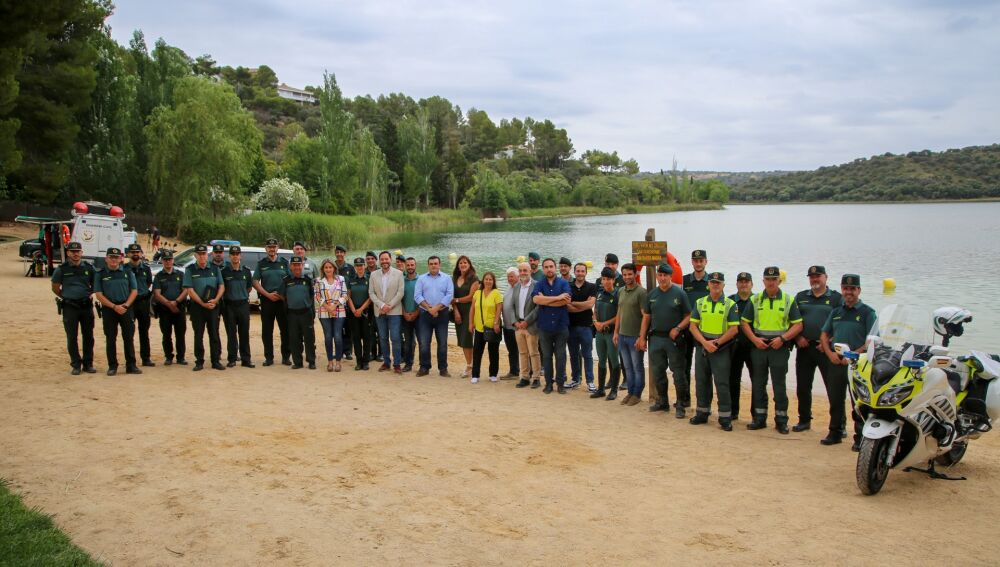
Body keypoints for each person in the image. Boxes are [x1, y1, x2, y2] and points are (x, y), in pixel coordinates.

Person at [740, 266, 803, 433]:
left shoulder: (788, 300)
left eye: (774, 279)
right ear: (763, 281)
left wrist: (783, 339)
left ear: (779, 281)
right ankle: (759, 419)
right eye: (767, 279)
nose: (770, 282)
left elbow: (798, 325)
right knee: (759, 385)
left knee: (779, 386)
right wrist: (754, 339)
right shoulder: (756, 299)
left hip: (779, 347)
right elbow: (744, 322)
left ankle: (781, 421)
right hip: (759, 346)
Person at [820, 274, 877, 450]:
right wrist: (829, 353)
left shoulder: (867, 312)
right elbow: (824, 334)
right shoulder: (836, 312)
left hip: (858, 365)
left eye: (852, 289)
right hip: (836, 362)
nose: (848, 292)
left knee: (859, 403)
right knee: (835, 399)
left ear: (859, 290)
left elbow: (872, 340)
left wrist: (854, 355)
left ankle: (860, 437)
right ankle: (835, 432)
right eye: (845, 288)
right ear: (842, 290)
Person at [792, 265, 843, 433]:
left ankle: (839, 424)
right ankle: (804, 420)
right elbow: (792, 321)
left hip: (826, 350)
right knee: (803, 387)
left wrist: (829, 342)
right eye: (812, 277)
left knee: (833, 387)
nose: (815, 279)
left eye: (818, 276)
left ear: (826, 277)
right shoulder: (800, 297)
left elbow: (842, 323)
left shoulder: (836, 298)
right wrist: (798, 338)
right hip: (805, 347)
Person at [689, 272, 740, 430]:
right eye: (712, 282)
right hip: (703, 347)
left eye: (718, 282)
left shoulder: (730, 304)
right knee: (701, 381)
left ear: (723, 285)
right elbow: (693, 326)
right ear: (708, 284)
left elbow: (734, 329)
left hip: (721, 348)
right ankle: (702, 413)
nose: (715, 285)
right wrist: (705, 343)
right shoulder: (700, 302)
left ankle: (725, 417)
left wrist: (716, 343)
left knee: (722, 382)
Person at [641, 263, 692, 417]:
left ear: (670, 276)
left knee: (678, 373)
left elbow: (689, 315)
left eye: (665, 276)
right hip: (656, 338)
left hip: (674, 339)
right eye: (660, 275)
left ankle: (681, 405)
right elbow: (646, 317)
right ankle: (662, 402)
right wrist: (642, 337)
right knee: (658, 372)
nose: (662, 278)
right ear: (657, 276)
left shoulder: (679, 293)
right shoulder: (652, 295)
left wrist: (678, 328)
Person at [51, 241, 96, 375]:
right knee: (72, 336)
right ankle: (76, 364)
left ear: (82, 253)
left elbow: (95, 285)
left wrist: (88, 294)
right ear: (68, 253)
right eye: (72, 251)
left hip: (85, 306)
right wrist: (67, 296)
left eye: (78, 251)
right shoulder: (62, 269)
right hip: (70, 307)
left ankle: (88, 364)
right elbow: (55, 287)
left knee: (88, 336)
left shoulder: (88, 268)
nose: (76, 254)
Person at [94, 247, 140, 376]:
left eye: (116, 257)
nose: (114, 260)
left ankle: (131, 365)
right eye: (111, 257)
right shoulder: (100, 274)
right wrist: (114, 307)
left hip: (126, 308)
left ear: (121, 259)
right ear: (106, 259)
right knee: (110, 338)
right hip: (109, 309)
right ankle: (112, 366)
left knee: (128, 338)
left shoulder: (127, 272)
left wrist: (125, 305)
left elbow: (134, 291)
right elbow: (98, 294)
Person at [183, 244, 225, 372]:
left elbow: (221, 286)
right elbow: (189, 289)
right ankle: (199, 361)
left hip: (213, 306)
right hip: (198, 308)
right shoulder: (190, 269)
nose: (202, 256)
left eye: (204, 254)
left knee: (214, 334)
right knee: (198, 335)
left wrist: (216, 300)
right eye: (199, 254)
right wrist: (202, 303)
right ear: (195, 256)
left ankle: (215, 361)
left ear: (207, 255)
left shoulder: (214, 268)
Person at [533, 258, 571, 394]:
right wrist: (556, 298)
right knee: (547, 357)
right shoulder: (539, 284)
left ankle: (560, 384)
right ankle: (548, 384)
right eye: (546, 267)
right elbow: (536, 299)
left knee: (561, 357)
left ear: (555, 268)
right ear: (543, 269)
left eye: (551, 266)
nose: (549, 269)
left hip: (561, 327)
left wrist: (546, 301)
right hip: (544, 327)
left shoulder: (563, 283)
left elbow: (566, 301)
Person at [613, 263, 648, 406]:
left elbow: (645, 316)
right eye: (625, 274)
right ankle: (630, 392)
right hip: (622, 335)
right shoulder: (621, 291)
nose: (627, 277)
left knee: (637, 366)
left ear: (635, 275)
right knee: (627, 366)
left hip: (635, 336)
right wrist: (616, 332)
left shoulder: (641, 292)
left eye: (630, 274)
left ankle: (637, 394)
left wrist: (642, 337)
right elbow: (619, 313)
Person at [414, 256, 454, 377]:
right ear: (428, 265)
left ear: (439, 265)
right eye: (431, 263)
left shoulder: (447, 278)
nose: (433, 265)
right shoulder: (421, 279)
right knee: (424, 342)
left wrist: (436, 308)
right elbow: (417, 296)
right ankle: (424, 367)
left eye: (435, 263)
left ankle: (443, 369)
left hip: (442, 314)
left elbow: (449, 295)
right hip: (425, 314)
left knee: (442, 342)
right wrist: (429, 309)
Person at [253, 238, 291, 366]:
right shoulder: (261, 264)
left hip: (281, 301)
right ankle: (268, 358)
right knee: (267, 330)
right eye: (269, 247)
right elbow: (255, 282)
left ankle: (286, 357)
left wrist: (282, 295)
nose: (272, 249)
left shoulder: (284, 263)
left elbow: (290, 280)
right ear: (266, 249)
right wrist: (267, 294)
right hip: (267, 300)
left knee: (285, 330)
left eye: (274, 247)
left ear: (277, 248)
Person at [680, 249, 710, 411]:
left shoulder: (712, 281)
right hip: (686, 329)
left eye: (701, 261)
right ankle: (685, 399)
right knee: (684, 365)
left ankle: (703, 403)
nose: (698, 263)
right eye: (695, 261)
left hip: (703, 331)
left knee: (702, 368)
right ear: (692, 262)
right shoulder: (685, 281)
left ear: (706, 262)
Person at [370, 250, 405, 374]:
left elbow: (400, 293)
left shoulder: (399, 274)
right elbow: (371, 293)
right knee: (383, 338)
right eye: (382, 259)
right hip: (379, 311)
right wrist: (382, 305)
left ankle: (396, 364)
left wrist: (389, 306)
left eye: (386, 259)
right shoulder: (373, 275)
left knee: (395, 338)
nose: (384, 261)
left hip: (394, 311)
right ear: (380, 261)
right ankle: (386, 362)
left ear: (391, 260)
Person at [727, 272, 755, 420]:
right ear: (737, 284)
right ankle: (733, 411)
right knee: (733, 379)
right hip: (733, 346)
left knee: (756, 380)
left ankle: (756, 414)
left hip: (753, 346)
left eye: (746, 281)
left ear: (752, 284)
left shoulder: (758, 300)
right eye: (741, 282)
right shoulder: (730, 301)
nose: (744, 284)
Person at [152, 250, 187, 366]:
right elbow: (157, 293)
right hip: (165, 310)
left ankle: (181, 357)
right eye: (165, 260)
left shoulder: (180, 274)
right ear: (162, 261)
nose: (168, 262)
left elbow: (185, 290)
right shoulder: (159, 276)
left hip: (179, 308)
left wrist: (176, 302)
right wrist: (169, 304)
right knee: (166, 334)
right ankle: (168, 357)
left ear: (173, 260)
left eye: (170, 259)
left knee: (180, 334)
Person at [221, 246, 254, 368]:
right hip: (229, 305)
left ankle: (246, 359)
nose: (235, 256)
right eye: (233, 254)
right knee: (231, 333)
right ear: (229, 256)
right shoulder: (224, 272)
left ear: (240, 256)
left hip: (243, 305)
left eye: (237, 254)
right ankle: (232, 358)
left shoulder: (246, 271)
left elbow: (249, 287)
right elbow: (222, 288)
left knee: (244, 333)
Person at [567, 262, 597, 392]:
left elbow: (590, 305)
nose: (580, 273)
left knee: (587, 355)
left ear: (586, 272)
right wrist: (583, 305)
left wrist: (573, 304)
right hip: (571, 326)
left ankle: (590, 381)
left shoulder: (592, 287)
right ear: (574, 272)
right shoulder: (568, 286)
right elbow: (566, 306)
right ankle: (575, 379)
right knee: (573, 354)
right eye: (577, 271)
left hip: (586, 327)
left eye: (582, 271)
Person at [283, 256, 317, 370]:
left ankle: (311, 361)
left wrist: (313, 313)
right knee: (294, 339)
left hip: (306, 313)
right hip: (292, 313)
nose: (297, 267)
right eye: (294, 265)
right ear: (291, 266)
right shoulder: (286, 280)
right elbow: (283, 296)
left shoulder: (307, 280)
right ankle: (297, 362)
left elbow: (312, 296)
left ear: (302, 266)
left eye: (299, 265)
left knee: (309, 338)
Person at [592, 267, 621, 400]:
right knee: (601, 360)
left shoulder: (617, 295)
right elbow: (595, 309)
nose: (606, 282)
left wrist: (604, 324)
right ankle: (601, 389)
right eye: (604, 279)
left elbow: (619, 316)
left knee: (614, 361)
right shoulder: (600, 293)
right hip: (599, 333)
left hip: (611, 332)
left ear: (614, 280)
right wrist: (595, 321)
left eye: (608, 279)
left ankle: (614, 390)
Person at [469, 271, 503, 383]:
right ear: (483, 281)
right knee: (477, 351)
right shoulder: (478, 293)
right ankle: (475, 375)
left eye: (490, 279)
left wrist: (496, 322)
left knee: (493, 351)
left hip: (493, 327)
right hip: (479, 327)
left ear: (493, 281)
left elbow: (499, 308)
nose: (488, 281)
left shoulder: (496, 293)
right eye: (486, 279)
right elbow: (472, 309)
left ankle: (493, 374)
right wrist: (470, 323)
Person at [125, 243, 155, 367]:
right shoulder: (124, 269)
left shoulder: (146, 268)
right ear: (128, 254)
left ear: (141, 254)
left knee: (144, 332)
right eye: (133, 252)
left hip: (143, 302)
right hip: (130, 303)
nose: (135, 254)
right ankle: (131, 361)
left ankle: (146, 358)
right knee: (129, 332)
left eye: (137, 252)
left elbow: (148, 283)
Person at [315, 259, 348, 372]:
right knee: (328, 337)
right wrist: (328, 308)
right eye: (326, 267)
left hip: (339, 311)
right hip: (324, 312)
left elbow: (345, 295)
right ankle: (330, 362)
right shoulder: (318, 281)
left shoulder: (341, 279)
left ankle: (338, 362)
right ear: (323, 269)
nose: (328, 269)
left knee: (338, 337)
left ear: (334, 268)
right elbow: (317, 296)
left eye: (330, 267)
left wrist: (334, 306)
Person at [512, 262, 541, 389]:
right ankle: (524, 377)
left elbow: (538, 307)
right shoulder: (517, 286)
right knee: (522, 352)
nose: (523, 273)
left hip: (531, 326)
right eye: (521, 270)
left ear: (530, 271)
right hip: (518, 326)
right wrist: (515, 322)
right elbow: (512, 306)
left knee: (534, 353)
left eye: (525, 270)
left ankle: (536, 378)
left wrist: (527, 321)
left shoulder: (536, 286)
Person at [451, 255, 480, 378]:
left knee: (467, 338)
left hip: (470, 311)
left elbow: (471, 297)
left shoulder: (474, 279)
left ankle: (470, 366)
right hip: (458, 312)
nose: (463, 264)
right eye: (461, 263)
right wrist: (456, 311)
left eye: (465, 262)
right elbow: (451, 297)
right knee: (462, 339)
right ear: (458, 265)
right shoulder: (454, 278)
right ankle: (470, 364)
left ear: (469, 264)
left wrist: (456, 300)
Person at [347, 257, 374, 370]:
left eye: (361, 265)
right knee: (356, 337)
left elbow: (371, 297)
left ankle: (366, 361)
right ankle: (359, 361)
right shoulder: (351, 280)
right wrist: (354, 310)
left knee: (367, 337)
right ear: (355, 267)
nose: (359, 267)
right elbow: (348, 296)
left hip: (366, 312)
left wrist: (361, 309)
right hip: (354, 312)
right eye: (357, 266)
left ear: (364, 266)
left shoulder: (370, 279)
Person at [334, 244, 354, 362]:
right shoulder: (331, 266)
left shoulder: (350, 268)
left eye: (341, 252)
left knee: (348, 328)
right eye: (337, 252)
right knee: (337, 329)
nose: (339, 254)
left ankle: (348, 351)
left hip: (346, 302)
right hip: (334, 303)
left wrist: (347, 299)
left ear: (344, 254)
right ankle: (339, 351)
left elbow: (351, 286)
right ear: (335, 253)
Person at [500, 267, 521, 379]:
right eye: (508, 277)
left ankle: (523, 372)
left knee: (520, 350)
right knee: (511, 350)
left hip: (516, 326)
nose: (510, 278)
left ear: (518, 277)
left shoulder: (520, 289)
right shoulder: (509, 288)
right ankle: (514, 371)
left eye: (512, 276)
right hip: (506, 325)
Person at [400, 257, 420, 372]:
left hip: (419, 315)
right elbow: (400, 299)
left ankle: (424, 365)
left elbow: (424, 298)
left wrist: (416, 312)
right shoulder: (402, 280)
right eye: (408, 265)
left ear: (415, 265)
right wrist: (404, 313)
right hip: (405, 315)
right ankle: (408, 364)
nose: (410, 267)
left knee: (422, 342)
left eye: (412, 265)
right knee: (408, 342)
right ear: (405, 266)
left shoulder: (421, 279)